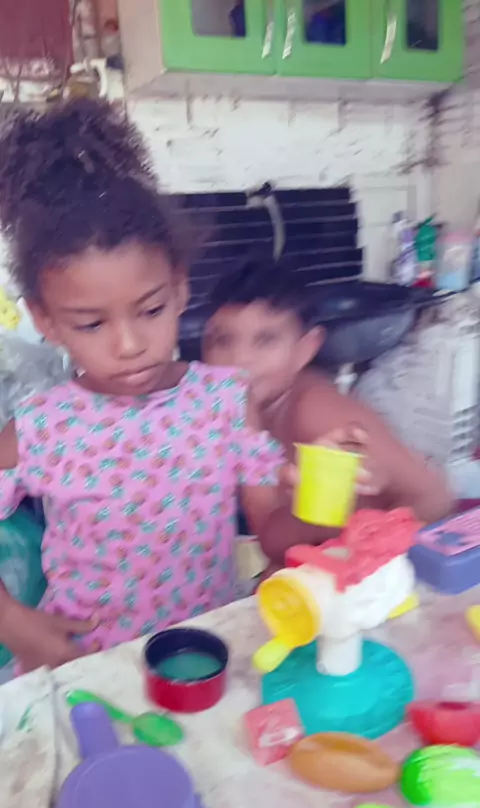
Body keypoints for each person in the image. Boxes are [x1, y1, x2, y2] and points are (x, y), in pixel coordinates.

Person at [0, 100, 286, 673]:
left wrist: (329, 497)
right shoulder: (40, 429)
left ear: (179, 288)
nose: (129, 344)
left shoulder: (226, 403)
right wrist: (11, 619)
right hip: (86, 671)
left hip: (202, 662)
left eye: (150, 310)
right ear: (46, 320)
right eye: (91, 324)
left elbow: (276, 533)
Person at [203, 256, 454, 549]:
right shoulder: (232, 407)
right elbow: (271, 533)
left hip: (379, 558)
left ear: (306, 348)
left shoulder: (317, 413)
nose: (239, 360)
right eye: (223, 341)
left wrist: (372, 553)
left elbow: (434, 497)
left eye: (266, 340)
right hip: (311, 550)